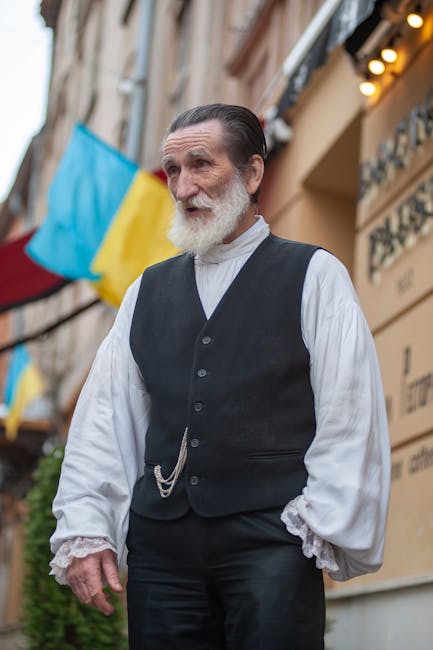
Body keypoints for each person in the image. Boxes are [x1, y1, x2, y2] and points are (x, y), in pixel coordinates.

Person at [50, 103, 390, 649]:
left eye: (201, 164)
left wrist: (313, 526)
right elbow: (105, 421)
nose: (184, 187)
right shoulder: (145, 292)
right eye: (173, 171)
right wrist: (87, 528)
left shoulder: (314, 275)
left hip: (272, 540)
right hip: (162, 550)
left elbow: (350, 413)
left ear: (253, 173)